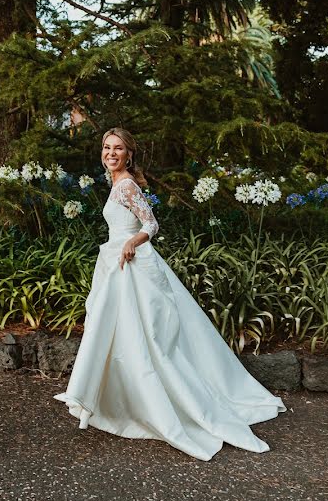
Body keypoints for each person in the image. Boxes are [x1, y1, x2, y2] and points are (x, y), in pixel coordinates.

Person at [55, 128, 286, 461]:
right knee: (120, 336)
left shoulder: (127, 186)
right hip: (116, 263)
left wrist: (132, 242)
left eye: (118, 148)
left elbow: (151, 224)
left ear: (129, 154)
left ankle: (148, 403)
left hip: (131, 264)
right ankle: (121, 399)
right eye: (107, 148)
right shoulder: (116, 183)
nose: (111, 153)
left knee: (145, 338)